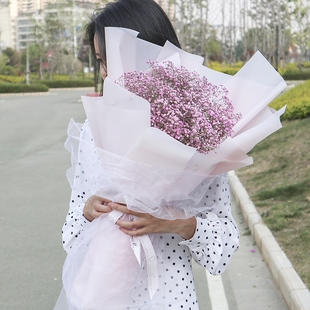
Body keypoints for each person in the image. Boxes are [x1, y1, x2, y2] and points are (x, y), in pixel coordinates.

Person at [60, 1, 239, 309]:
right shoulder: (94, 131)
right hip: (100, 297)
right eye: (100, 61)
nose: (105, 73)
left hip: (169, 299)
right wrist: (89, 211)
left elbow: (224, 246)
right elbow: (70, 236)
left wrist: (176, 222)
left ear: (149, 53)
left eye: (110, 59)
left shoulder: (198, 131)